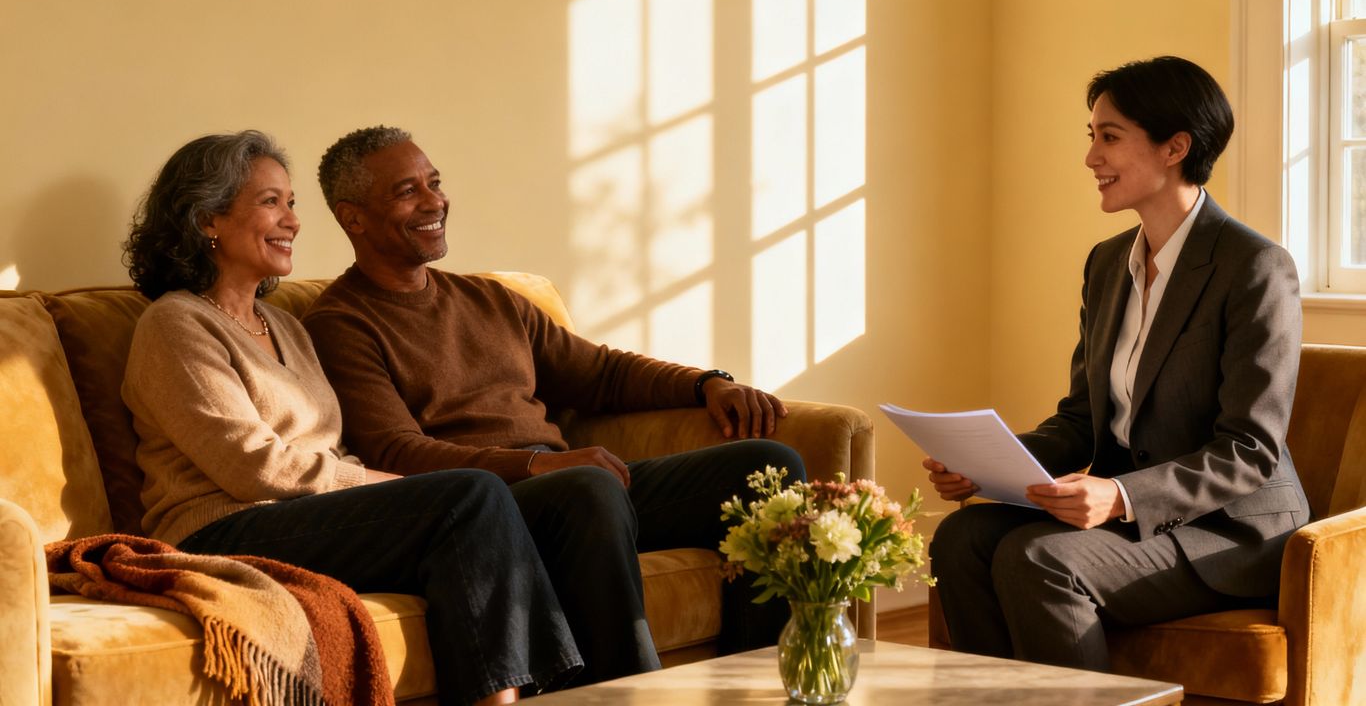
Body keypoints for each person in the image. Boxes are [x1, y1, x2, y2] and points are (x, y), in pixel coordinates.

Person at [300, 125, 807, 684]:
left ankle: (760, 683)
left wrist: (707, 383)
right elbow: (395, 451)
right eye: (407, 191)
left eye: (434, 183)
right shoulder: (340, 323)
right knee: (588, 485)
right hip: (489, 510)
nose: (434, 201)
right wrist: (540, 465)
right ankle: (630, 694)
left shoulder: (489, 297)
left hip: (577, 487)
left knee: (766, 468)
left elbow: (602, 372)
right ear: (353, 218)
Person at [121, 130, 582, 706]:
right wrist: (394, 484)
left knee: (495, 502)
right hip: (221, 530)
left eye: (291, 203)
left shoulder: (285, 324)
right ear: (208, 219)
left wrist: (385, 488)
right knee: (471, 496)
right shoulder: (174, 325)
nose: (292, 220)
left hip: (308, 515)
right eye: (271, 202)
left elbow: (329, 449)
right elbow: (252, 468)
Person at [922, 56, 1311, 671]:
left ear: (1174, 147)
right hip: (1132, 513)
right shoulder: (1107, 265)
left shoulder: (1255, 267)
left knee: (1038, 558)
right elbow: (1082, 419)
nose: (1091, 157)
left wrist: (1121, 496)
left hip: (1229, 531)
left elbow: (1250, 449)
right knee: (962, 537)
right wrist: (986, 466)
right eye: (1092, 136)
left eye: (1110, 136)